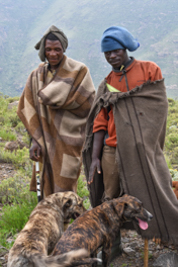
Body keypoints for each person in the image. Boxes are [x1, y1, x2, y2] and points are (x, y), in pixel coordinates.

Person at [82, 26, 178, 262]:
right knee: (110, 200)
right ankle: (112, 249)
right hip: (111, 150)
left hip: (143, 150)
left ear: (125, 48)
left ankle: (169, 237)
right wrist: (95, 157)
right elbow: (100, 121)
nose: (111, 57)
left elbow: (157, 109)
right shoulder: (107, 82)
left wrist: (144, 142)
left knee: (157, 189)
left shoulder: (149, 70)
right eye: (107, 54)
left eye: (115, 51)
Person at [17, 25, 95, 199]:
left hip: (69, 142)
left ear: (64, 49)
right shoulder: (36, 76)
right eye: (49, 49)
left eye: (57, 49)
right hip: (44, 141)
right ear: (44, 50)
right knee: (46, 187)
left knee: (65, 190)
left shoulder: (79, 71)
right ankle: (49, 224)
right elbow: (28, 109)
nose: (53, 54)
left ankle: (67, 226)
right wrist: (35, 140)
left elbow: (88, 104)